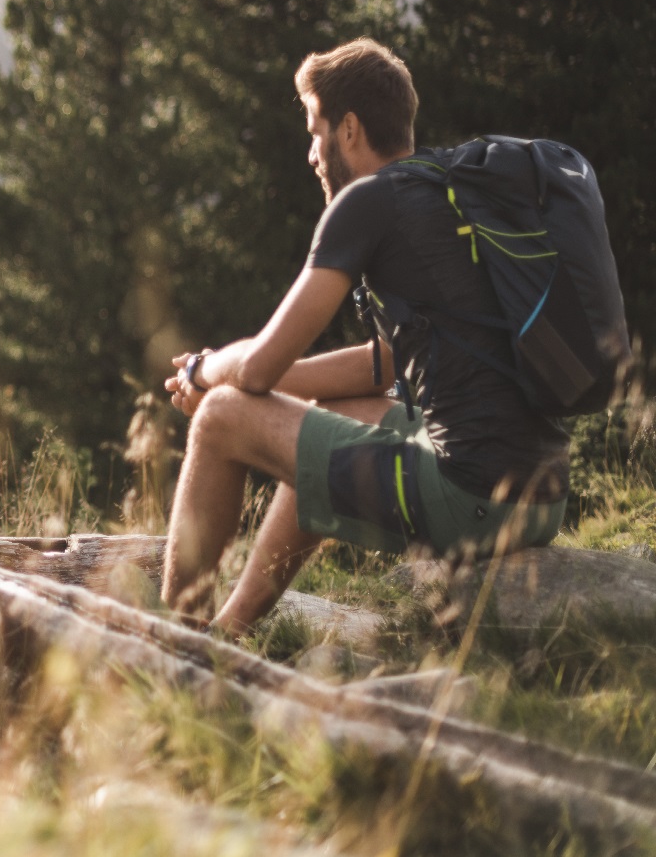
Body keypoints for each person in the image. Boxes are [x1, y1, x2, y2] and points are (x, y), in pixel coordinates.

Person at [160, 39, 568, 636]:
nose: (311, 155)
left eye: (314, 129)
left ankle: (178, 643)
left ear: (348, 129)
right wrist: (268, 391)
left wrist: (204, 372)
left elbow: (255, 370)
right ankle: (230, 633)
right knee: (338, 413)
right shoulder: (441, 191)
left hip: (474, 498)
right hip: (542, 495)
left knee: (221, 416)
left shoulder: (366, 204)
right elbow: (385, 366)